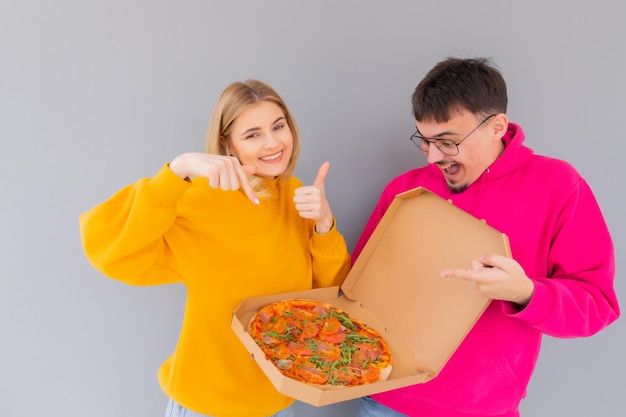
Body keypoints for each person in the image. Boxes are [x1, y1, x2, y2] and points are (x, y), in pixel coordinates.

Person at [353, 57, 620, 417]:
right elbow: (358, 289)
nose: (433, 157)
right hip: (384, 400)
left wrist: (526, 293)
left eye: (447, 142)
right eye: (425, 140)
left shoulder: (558, 187)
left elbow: (596, 304)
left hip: (481, 409)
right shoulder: (405, 190)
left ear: (497, 126)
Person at [79, 79, 351, 417]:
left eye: (278, 126)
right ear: (228, 145)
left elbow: (331, 304)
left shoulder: (298, 197)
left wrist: (324, 224)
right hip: (206, 406)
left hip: (277, 404)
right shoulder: (200, 200)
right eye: (253, 134)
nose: (273, 143)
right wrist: (177, 170)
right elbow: (106, 245)